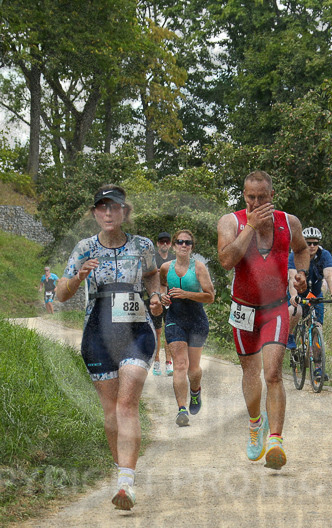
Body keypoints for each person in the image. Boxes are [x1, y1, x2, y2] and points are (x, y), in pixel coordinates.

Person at [55, 185, 162, 510]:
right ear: (95, 214)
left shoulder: (142, 245)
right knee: (111, 411)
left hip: (136, 330)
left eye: (114, 207)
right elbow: (61, 293)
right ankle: (121, 474)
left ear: (124, 212)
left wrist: (155, 296)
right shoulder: (84, 248)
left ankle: (126, 485)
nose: (108, 213)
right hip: (98, 332)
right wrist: (77, 279)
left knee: (127, 404)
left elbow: (152, 274)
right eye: (102, 208)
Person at [217, 171, 309, 470]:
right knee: (250, 372)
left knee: (272, 373)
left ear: (272, 195)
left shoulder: (288, 222)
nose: (256, 202)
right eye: (250, 197)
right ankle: (256, 423)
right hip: (243, 309)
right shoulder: (230, 222)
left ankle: (276, 441)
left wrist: (302, 273)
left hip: (275, 308)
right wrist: (250, 228)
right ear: (244, 195)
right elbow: (226, 260)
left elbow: (302, 249)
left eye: (261, 197)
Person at [159, 229, 215, 427]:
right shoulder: (166, 268)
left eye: (188, 243)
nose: (184, 245)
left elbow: (210, 296)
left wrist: (187, 294)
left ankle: (195, 391)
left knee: (194, 368)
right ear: (173, 246)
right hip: (175, 319)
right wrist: (163, 297)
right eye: (180, 242)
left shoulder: (199, 268)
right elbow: (161, 289)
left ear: (192, 247)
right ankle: (181, 409)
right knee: (180, 365)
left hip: (196, 319)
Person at [287, 226, 332, 381]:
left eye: (315, 243)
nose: (311, 246)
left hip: (315, 295)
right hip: (297, 293)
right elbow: (292, 278)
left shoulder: (324, 256)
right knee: (295, 311)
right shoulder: (294, 255)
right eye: (308, 243)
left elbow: (329, 277)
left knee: (317, 330)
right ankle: (290, 336)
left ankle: (318, 369)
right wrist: (294, 296)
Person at [150, 231, 174, 377]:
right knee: (157, 332)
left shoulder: (174, 259)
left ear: (170, 244)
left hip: (171, 299)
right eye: (161, 241)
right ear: (158, 243)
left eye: (167, 241)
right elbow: (149, 275)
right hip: (156, 299)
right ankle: (157, 362)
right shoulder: (153, 259)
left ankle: (169, 362)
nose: (164, 244)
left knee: (169, 331)